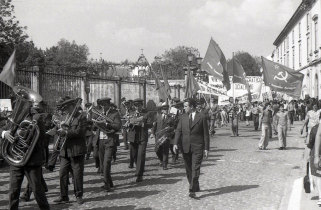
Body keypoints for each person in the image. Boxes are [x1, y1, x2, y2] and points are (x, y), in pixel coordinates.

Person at [1, 98, 50, 210]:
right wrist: (4, 133)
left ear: (29, 105)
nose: (20, 107)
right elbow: (3, 129)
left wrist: (24, 135)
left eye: (23, 104)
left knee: (38, 190)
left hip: (32, 160)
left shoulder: (37, 118)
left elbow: (42, 138)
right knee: (13, 190)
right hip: (15, 159)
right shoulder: (14, 118)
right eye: (18, 105)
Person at [173, 98, 209, 199]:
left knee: (195, 168)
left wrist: (206, 148)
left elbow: (206, 134)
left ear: (191, 107)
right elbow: (178, 131)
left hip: (198, 147)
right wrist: (175, 143)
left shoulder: (201, 117)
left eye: (185, 106)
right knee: (188, 169)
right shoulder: (182, 117)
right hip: (185, 147)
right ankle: (194, 185)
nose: (184, 108)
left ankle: (192, 189)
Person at [53, 97, 87, 205]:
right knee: (62, 173)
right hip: (64, 151)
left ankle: (79, 195)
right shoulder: (64, 117)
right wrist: (57, 130)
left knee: (77, 175)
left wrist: (66, 132)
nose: (66, 111)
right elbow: (60, 130)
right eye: (65, 109)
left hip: (76, 150)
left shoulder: (81, 116)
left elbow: (80, 132)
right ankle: (64, 196)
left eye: (67, 108)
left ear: (73, 106)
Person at [127, 98, 153, 182]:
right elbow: (127, 125)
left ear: (142, 105)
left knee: (141, 155)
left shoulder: (147, 113)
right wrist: (129, 124)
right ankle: (138, 167)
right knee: (134, 155)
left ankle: (139, 174)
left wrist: (142, 124)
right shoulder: (131, 113)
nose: (137, 107)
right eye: (136, 105)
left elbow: (150, 125)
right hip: (133, 137)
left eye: (139, 105)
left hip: (142, 137)